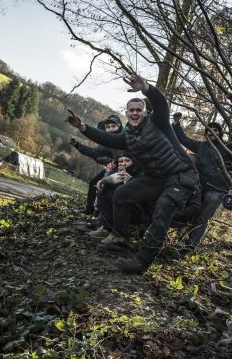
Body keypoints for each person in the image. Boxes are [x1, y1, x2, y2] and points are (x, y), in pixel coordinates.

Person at [66, 74, 200, 274]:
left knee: (163, 209)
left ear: (145, 113)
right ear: (126, 113)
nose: (135, 113)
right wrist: (83, 127)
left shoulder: (158, 122)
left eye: (139, 110)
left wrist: (146, 87)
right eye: (132, 110)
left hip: (181, 174)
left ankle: (142, 263)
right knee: (122, 194)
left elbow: (161, 103)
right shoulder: (127, 136)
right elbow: (106, 138)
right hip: (156, 177)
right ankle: (120, 239)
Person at [172, 112, 232, 250]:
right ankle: (179, 242)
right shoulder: (200, 146)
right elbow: (183, 139)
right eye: (209, 130)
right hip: (198, 187)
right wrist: (176, 123)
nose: (212, 132)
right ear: (206, 134)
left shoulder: (228, 147)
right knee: (188, 212)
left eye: (215, 130)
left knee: (202, 217)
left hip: (217, 190)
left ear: (220, 133)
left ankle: (189, 247)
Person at [70, 114, 124, 215]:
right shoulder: (108, 141)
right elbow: (95, 153)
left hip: (128, 171)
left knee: (107, 188)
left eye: (113, 126)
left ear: (120, 126)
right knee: (94, 183)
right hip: (114, 168)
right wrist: (77, 145)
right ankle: (89, 211)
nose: (111, 129)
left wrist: (111, 162)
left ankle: (102, 216)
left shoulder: (124, 136)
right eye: (108, 127)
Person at [90, 153, 143, 239]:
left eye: (127, 161)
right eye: (122, 161)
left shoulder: (139, 173)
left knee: (116, 194)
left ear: (134, 162)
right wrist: (102, 181)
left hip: (138, 210)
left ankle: (118, 235)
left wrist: (130, 180)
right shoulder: (123, 172)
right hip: (124, 205)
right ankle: (107, 229)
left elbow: (140, 195)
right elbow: (112, 181)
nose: (124, 163)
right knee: (104, 191)